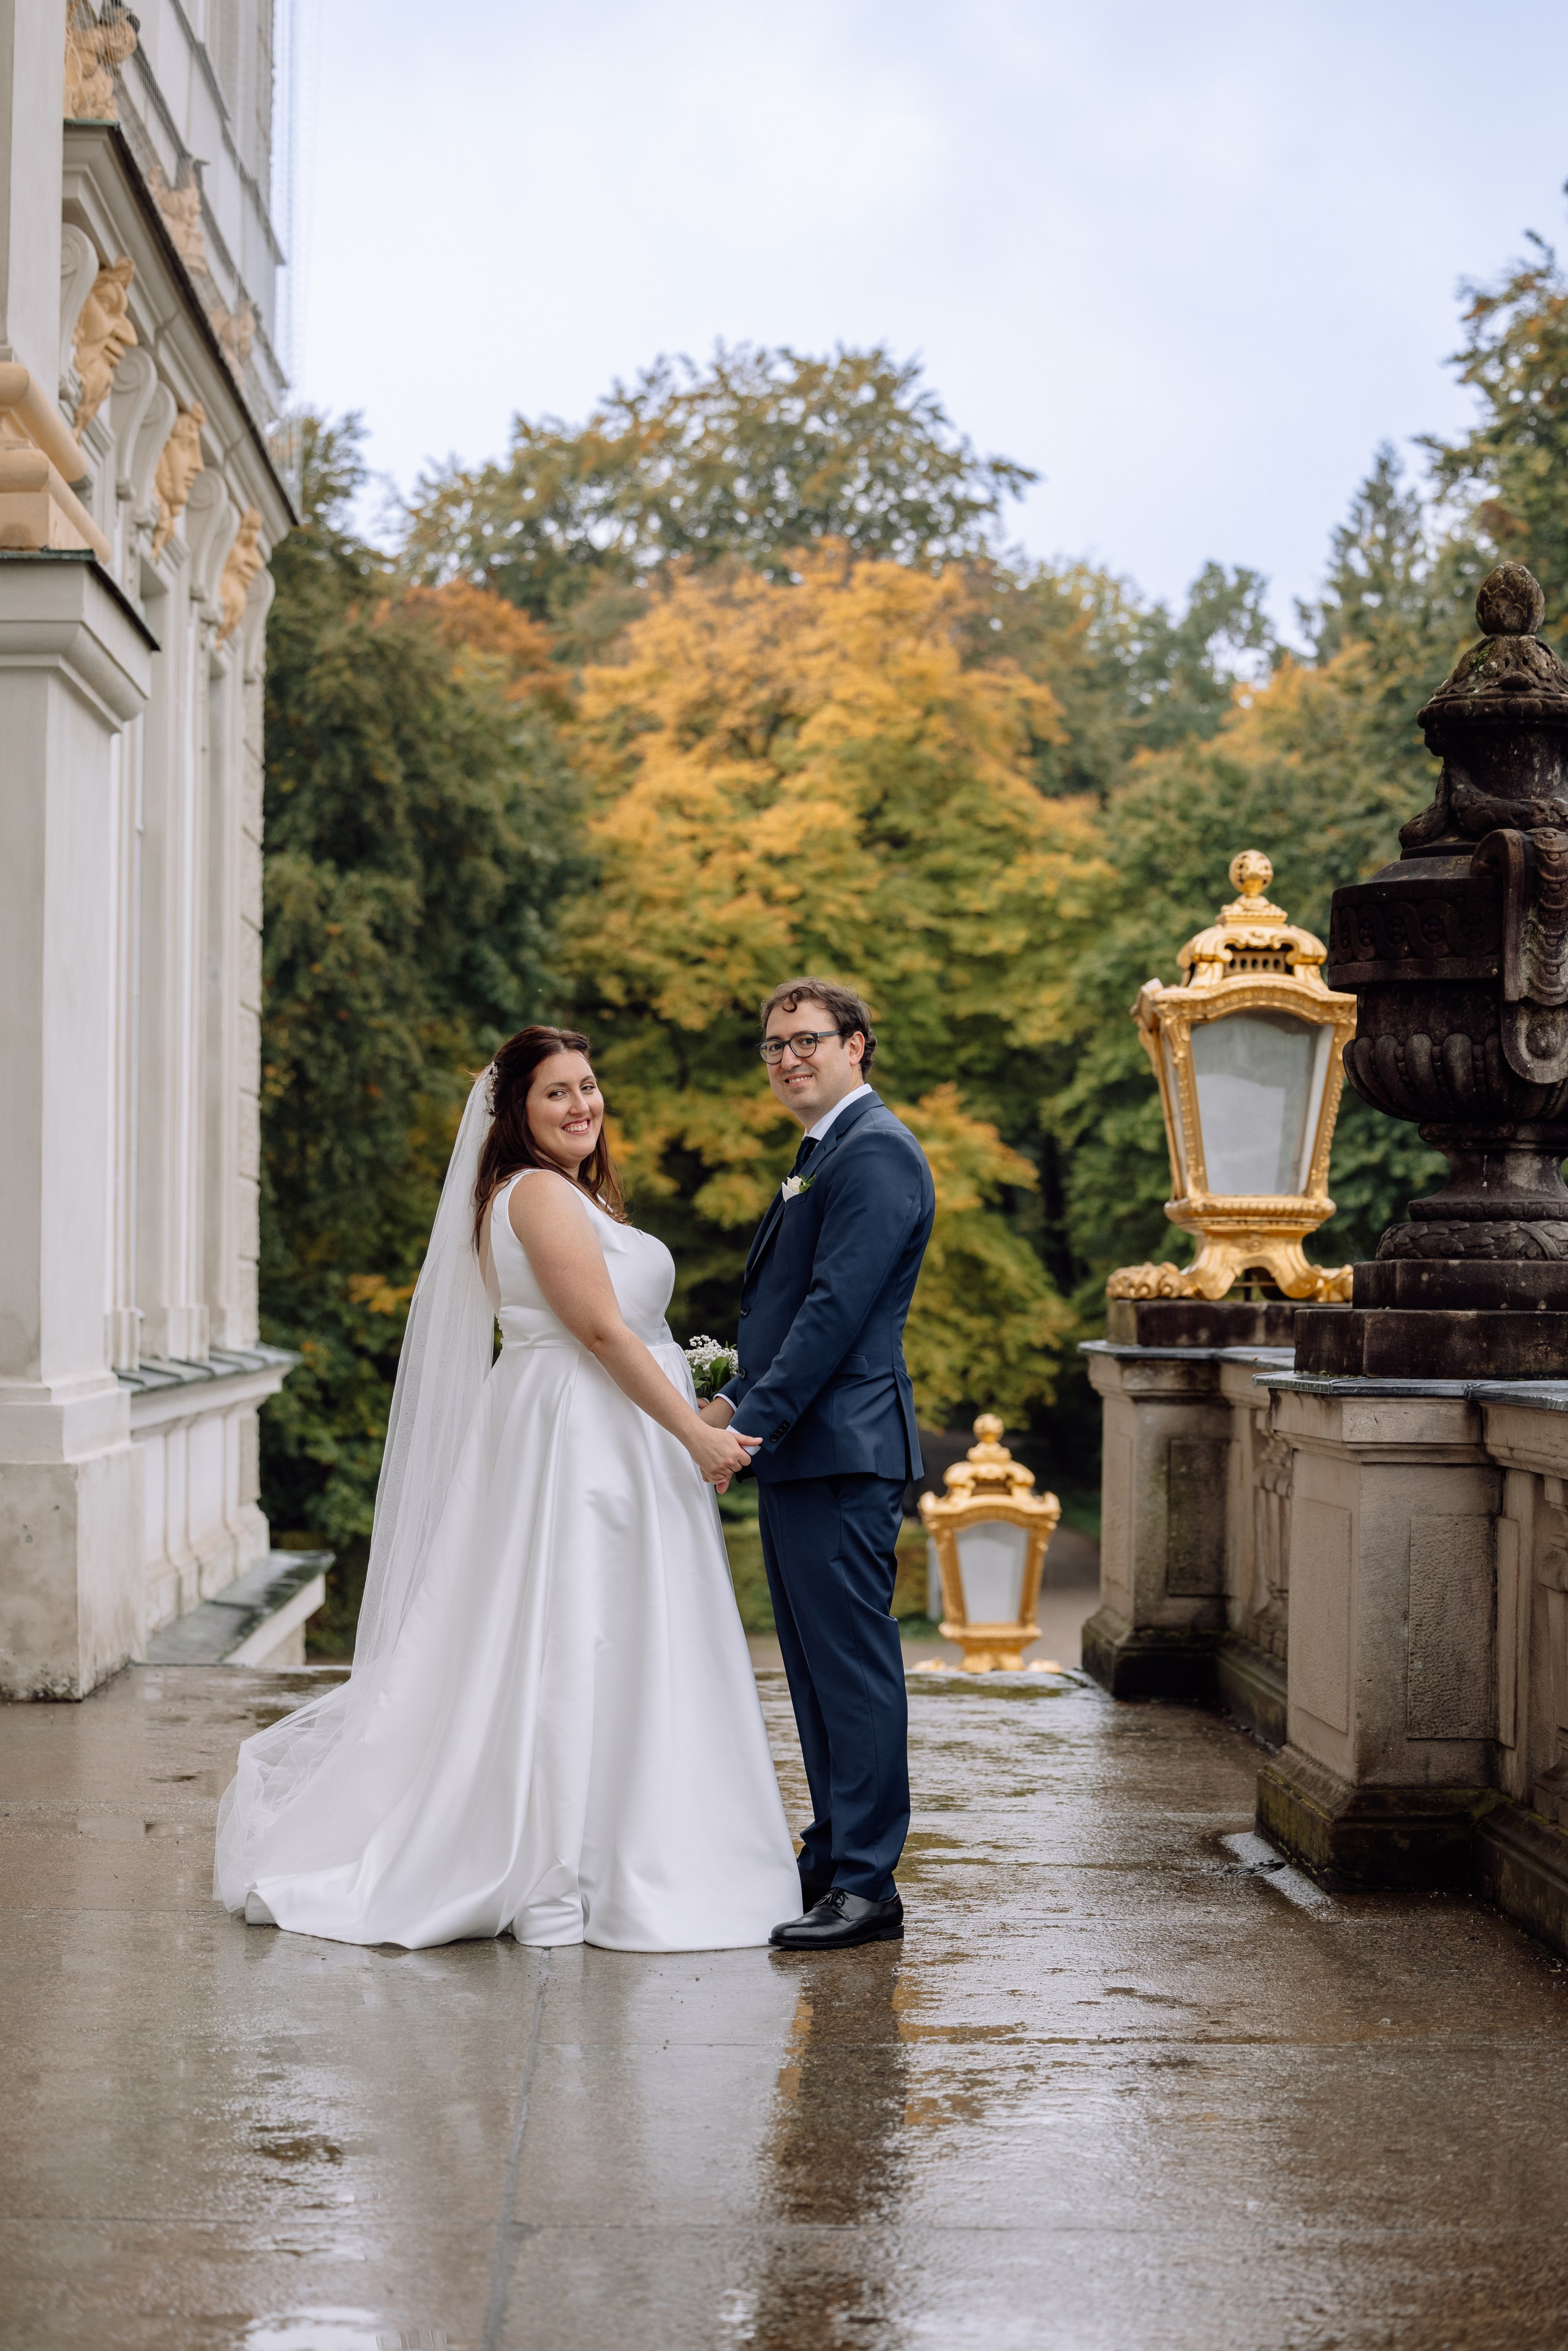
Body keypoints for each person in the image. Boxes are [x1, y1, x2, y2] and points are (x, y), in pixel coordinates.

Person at [214, 1027, 800, 1952]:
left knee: (622, 1629)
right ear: (517, 1113)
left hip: (609, 1427)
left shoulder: (571, 1193)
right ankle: (571, 1865)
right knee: (579, 1628)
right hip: (585, 1434)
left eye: (588, 1086)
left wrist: (694, 1409)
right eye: (556, 1093)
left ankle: (632, 1837)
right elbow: (601, 1333)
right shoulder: (536, 1193)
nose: (581, 1105)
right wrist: (695, 1435)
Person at [699, 979, 935, 1952]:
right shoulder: (824, 1151)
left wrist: (746, 1427)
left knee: (853, 1671)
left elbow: (833, 1314)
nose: (788, 1058)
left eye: (807, 1040)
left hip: (843, 1448)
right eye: (774, 1045)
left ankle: (869, 1884)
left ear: (856, 1044)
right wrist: (727, 1403)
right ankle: (835, 1854)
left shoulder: (876, 1150)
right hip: (810, 1450)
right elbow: (788, 1313)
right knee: (813, 1672)